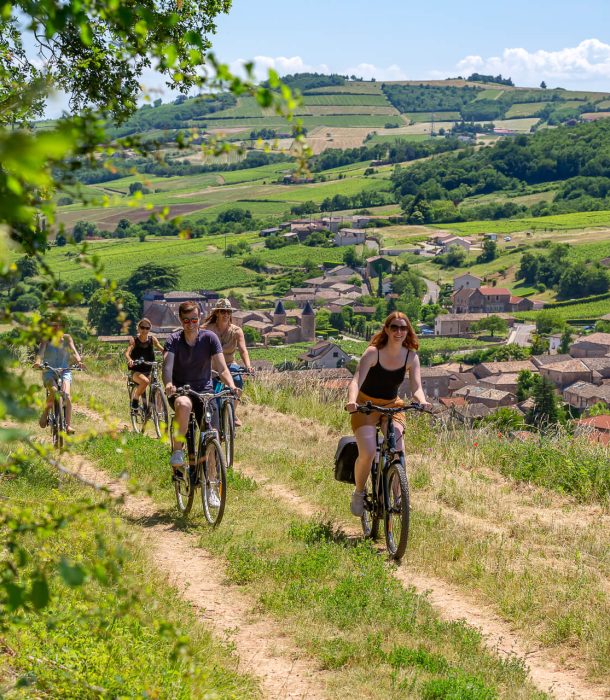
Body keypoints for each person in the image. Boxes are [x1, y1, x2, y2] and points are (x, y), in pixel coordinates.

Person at [345, 311, 428, 517]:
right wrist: (352, 401)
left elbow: (417, 387)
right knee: (369, 451)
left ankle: (399, 496)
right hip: (366, 405)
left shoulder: (411, 356)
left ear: (408, 330)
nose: (399, 332)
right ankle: (359, 492)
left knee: (398, 450)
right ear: (387, 330)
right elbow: (356, 380)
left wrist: (422, 400)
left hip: (392, 405)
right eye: (394, 327)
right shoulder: (374, 353)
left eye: (403, 328)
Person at [163, 301, 240, 477]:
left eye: (194, 320)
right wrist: (168, 384)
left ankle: (212, 484)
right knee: (183, 404)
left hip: (205, 392)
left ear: (199, 319)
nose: (191, 324)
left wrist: (232, 386)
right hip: (181, 390)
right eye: (186, 321)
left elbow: (222, 369)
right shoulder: (174, 340)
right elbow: (167, 367)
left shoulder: (209, 338)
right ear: (181, 321)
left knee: (212, 436)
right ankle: (177, 451)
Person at [202, 298, 252, 426]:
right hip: (212, 367)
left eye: (228, 311)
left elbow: (243, 350)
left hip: (230, 365)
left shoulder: (236, 331)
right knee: (211, 394)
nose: (226, 314)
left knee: (238, 382)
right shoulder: (207, 329)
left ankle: (233, 413)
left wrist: (248, 366)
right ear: (217, 313)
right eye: (223, 311)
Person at [33, 319, 84, 434]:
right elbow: (41, 353)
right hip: (49, 371)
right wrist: (37, 362)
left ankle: (68, 426)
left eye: (58, 326)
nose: (56, 328)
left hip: (65, 370)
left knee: (67, 395)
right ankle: (46, 412)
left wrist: (79, 360)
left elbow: (74, 351)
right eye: (53, 326)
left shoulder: (67, 338)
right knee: (54, 390)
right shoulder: (46, 339)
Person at [125, 317, 163, 410]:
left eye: (147, 328)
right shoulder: (134, 340)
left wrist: (170, 356)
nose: (144, 330)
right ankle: (135, 398)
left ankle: (160, 413)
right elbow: (127, 353)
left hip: (149, 370)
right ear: (138, 328)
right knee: (145, 382)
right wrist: (130, 360)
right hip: (137, 371)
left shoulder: (152, 339)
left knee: (157, 387)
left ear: (150, 329)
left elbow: (162, 349)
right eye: (142, 327)